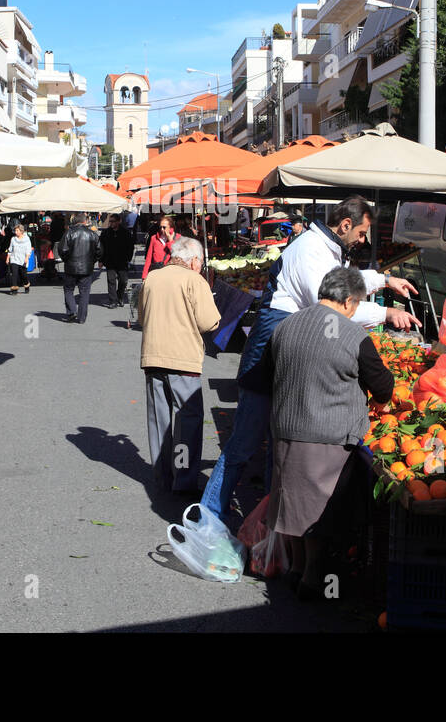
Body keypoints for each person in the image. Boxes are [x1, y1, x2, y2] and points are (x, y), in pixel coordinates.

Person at [200, 195, 420, 522]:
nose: (362, 241)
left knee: (280, 444)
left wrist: (385, 280)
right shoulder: (308, 249)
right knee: (244, 443)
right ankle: (207, 519)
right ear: (345, 225)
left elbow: (344, 281)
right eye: (360, 234)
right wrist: (385, 312)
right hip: (268, 351)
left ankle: (271, 525)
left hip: (290, 350)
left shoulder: (328, 249)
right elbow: (331, 302)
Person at [262, 267, 394, 598]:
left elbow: (267, 374)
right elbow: (383, 386)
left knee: (291, 502)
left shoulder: (286, 325)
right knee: (319, 511)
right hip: (328, 437)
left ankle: (296, 568)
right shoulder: (352, 336)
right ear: (348, 301)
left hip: (286, 430)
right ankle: (312, 578)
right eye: (356, 305)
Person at [138, 236, 221, 496]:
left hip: (153, 357)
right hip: (183, 359)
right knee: (188, 422)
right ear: (194, 260)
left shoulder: (152, 278)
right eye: (201, 262)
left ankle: (162, 478)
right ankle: (183, 481)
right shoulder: (194, 280)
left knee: (158, 420)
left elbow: (142, 316)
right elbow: (209, 322)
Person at [59, 212, 102, 324]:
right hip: (86, 268)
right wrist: (92, 261)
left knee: (68, 290)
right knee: (84, 292)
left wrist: (67, 260)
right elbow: (99, 251)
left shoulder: (69, 233)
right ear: (84, 221)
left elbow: (62, 250)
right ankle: (82, 317)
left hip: (71, 267)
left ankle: (72, 311)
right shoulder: (92, 234)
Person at [99, 213, 134, 308]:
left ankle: (120, 296)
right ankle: (113, 301)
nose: (111, 223)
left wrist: (128, 258)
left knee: (123, 281)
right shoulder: (105, 233)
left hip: (122, 261)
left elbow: (130, 247)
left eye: (113, 221)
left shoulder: (125, 233)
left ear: (119, 221)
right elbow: (101, 247)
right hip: (109, 261)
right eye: (110, 221)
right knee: (111, 281)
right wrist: (100, 260)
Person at [142, 215, 175, 279]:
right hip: (156, 272)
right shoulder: (154, 238)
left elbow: (176, 255)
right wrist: (144, 276)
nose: (162, 229)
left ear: (170, 227)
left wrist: (170, 241)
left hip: (170, 274)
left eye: (164, 227)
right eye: (160, 227)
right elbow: (149, 258)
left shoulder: (177, 237)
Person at [7, 222, 33, 295]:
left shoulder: (27, 239)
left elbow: (28, 249)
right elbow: (10, 249)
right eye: (15, 231)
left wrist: (27, 258)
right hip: (14, 258)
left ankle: (26, 284)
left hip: (23, 259)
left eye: (17, 231)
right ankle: (14, 289)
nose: (16, 232)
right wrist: (8, 257)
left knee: (23, 275)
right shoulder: (13, 239)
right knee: (14, 274)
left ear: (21, 231)